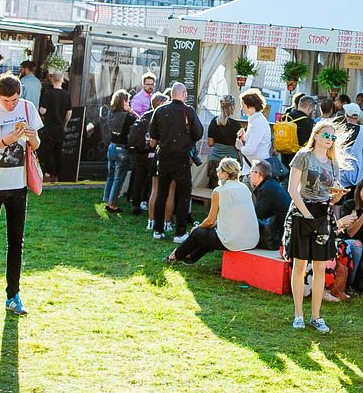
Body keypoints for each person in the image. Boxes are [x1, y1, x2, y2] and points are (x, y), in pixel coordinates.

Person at [0, 73, 41, 314]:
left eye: (14, 99)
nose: (10, 104)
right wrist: (6, 140)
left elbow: (37, 144)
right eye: (6, 100)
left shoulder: (28, 107)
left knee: (16, 241)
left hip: (18, 184)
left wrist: (32, 139)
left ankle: (13, 294)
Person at [286, 119, 349, 332]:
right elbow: (292, 190)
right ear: (316, 135)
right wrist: (306, 215)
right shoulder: (303, 157)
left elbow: (332, 199)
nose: (330, 140)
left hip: (323, 214)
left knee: (321, 266)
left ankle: (316, 316)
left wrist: (337, 196)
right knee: (300, 264)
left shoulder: (333, 163)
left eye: (333, 137)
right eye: (326, 135)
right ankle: (298, 314)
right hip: (303, 212)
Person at [169, 157, 259, 267]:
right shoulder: (245, 188)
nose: (217, 172)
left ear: (225, 174)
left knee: (198, 233)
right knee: (210, 233)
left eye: (219, 170)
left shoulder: (219, 191)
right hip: (252, 239)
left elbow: (210, 220)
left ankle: (176, 255)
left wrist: (197, 228)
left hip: (233, 241)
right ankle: (191, 257)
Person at [147, 82, 201, 239]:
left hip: (163, 156)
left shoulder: (160, 110)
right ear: (184, 94)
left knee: (161, 193)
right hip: (182, 158)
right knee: (183, 195)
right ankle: (180, 232)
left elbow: (153, 135)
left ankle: (158, 230)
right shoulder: (188, 111)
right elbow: (198, 133)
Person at [101, 89, 135, 208]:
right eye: (128, 101)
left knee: (110, 175)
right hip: (122, 148)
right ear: (124, 101)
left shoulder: (111, 113)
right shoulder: (127, 116)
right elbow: (140, 122)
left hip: (112, 146)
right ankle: (112, 204)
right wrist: (131, 110)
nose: (129, 103)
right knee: (118, 178)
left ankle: (106, 199)